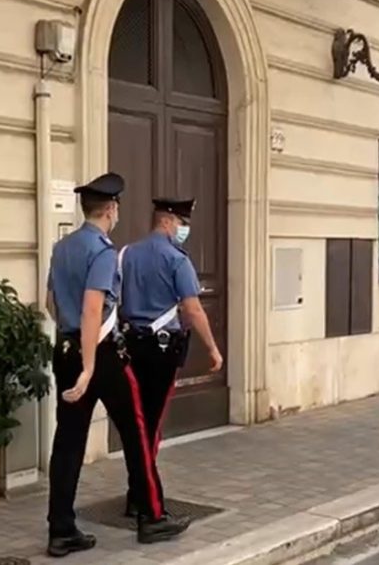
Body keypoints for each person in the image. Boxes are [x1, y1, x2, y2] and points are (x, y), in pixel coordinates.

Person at [45, 173, 189, 557]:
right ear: (110, 209)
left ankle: (61, 528)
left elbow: (49, 303)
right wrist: (90, 365)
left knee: (69, 441)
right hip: (102, 355)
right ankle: (152, 516)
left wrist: (73, 345)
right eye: (117, 207)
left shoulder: (62, 248)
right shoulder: (103, 252)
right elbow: (94, 307)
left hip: (65, 348)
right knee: (136, 431)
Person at [118, 197, 224, 519]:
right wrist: (212, 348)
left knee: (139, 423)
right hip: (162, 351)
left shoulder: (127, 254)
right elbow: (192, 309)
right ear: (168, 222)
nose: (184, 230)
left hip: (132, 347)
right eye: (182, 223)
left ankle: (136, 493)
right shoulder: (176, 259)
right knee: (151, 427)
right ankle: (145, 498)